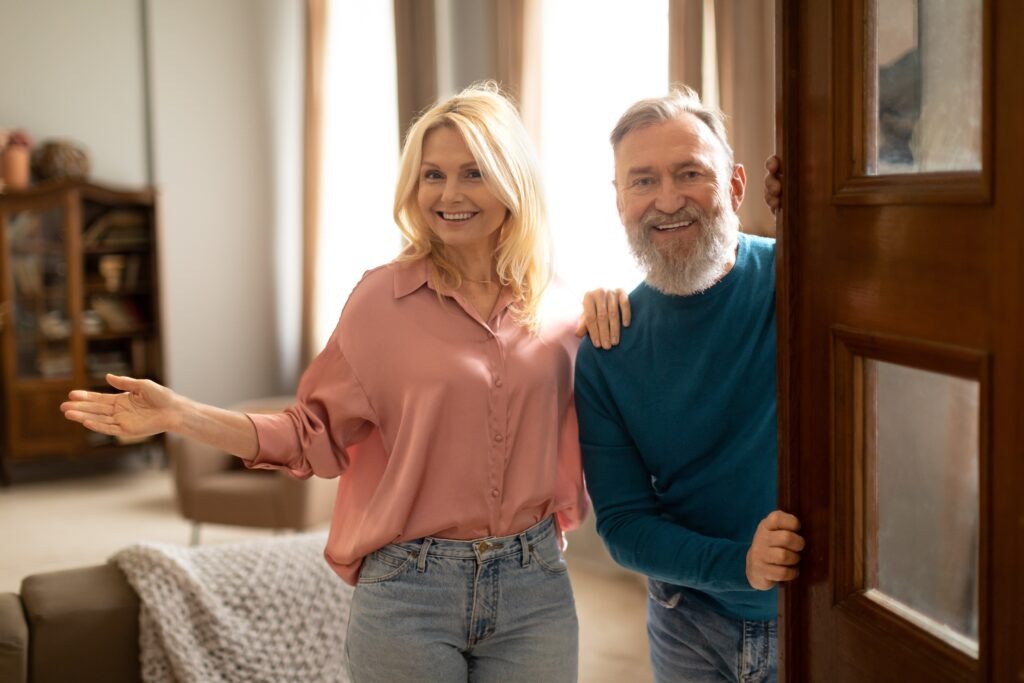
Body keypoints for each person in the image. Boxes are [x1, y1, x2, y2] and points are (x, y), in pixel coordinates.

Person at [62, 82, 610, 683]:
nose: (449, 194)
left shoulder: (562, 308)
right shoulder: (381, 302)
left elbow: (610, 412)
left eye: (473, 173)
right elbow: (309, 435)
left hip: (534, 586)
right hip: (410, 590)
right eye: (433, 175)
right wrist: (181, 416)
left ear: (513, 182)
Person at [573, 87, 804, 683]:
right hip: (686, 626)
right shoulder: (606, 347)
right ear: (620, 200)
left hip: (818, 616)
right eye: (642, 181)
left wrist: (816, 206)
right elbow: (623, 526)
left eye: (690, 173)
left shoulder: (802, 281)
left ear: (735, 186)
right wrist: (741, 565)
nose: (667, 199)